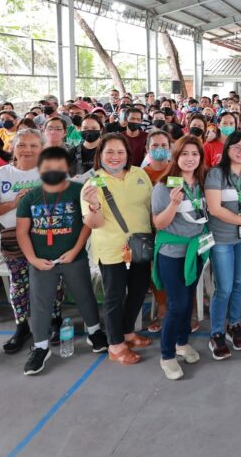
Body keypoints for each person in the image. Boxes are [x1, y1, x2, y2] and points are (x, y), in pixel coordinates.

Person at [16, 147, 108, 375]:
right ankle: (40, 347)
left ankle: (95, 332)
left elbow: (87, 223)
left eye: (59, 167)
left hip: (73, 258)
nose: (53, 171)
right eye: (48, 167)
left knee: (84, 295)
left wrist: (75, 250)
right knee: (40, 303)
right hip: (41, 261)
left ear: (68, 168)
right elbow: (22, 232)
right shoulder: (30, 197)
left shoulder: (78, 191)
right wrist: (33, 259)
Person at [0, 129, 61, 354]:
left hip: (46, 236)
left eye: (34, 146)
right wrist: (14, 203)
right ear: (12, 147)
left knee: (52, 281)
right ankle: (22, 326)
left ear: (43, 149)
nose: (27, 150)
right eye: (22, 145)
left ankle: (55, 321)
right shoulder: (0, 175)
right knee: (19, 283)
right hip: (12, 237)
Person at [82, 133, 154, 365]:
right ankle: (115, 344)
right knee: (115, 296)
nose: (115, 157)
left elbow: (150, 207)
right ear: (100, 154)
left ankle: (128, 332)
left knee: (138, 290)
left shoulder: (139, 174)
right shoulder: (93, 183)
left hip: (140, 246)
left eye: (120, 152)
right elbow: (93, 224)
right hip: (112, 249)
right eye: (109, 152)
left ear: (128, 154)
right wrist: (94, 205)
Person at [150, 135, 208, 378]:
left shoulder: (202, 183)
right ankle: (167, 355)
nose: (189, 159)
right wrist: (173, 204)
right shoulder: (163, 186)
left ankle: (182, 343)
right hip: (172, 254)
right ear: (176, 156)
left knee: (188, 300)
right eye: (184, 154)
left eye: (194, 154)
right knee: (177, 304)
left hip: (196, 251)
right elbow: (158, 223)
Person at [205, 131, 241, 361]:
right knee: (224, 288)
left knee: (238, 283)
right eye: (236, 147)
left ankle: (234, 325)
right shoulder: (215, 174)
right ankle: (216, 333)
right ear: (227, 149)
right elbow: (214, 208)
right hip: (221, 240)